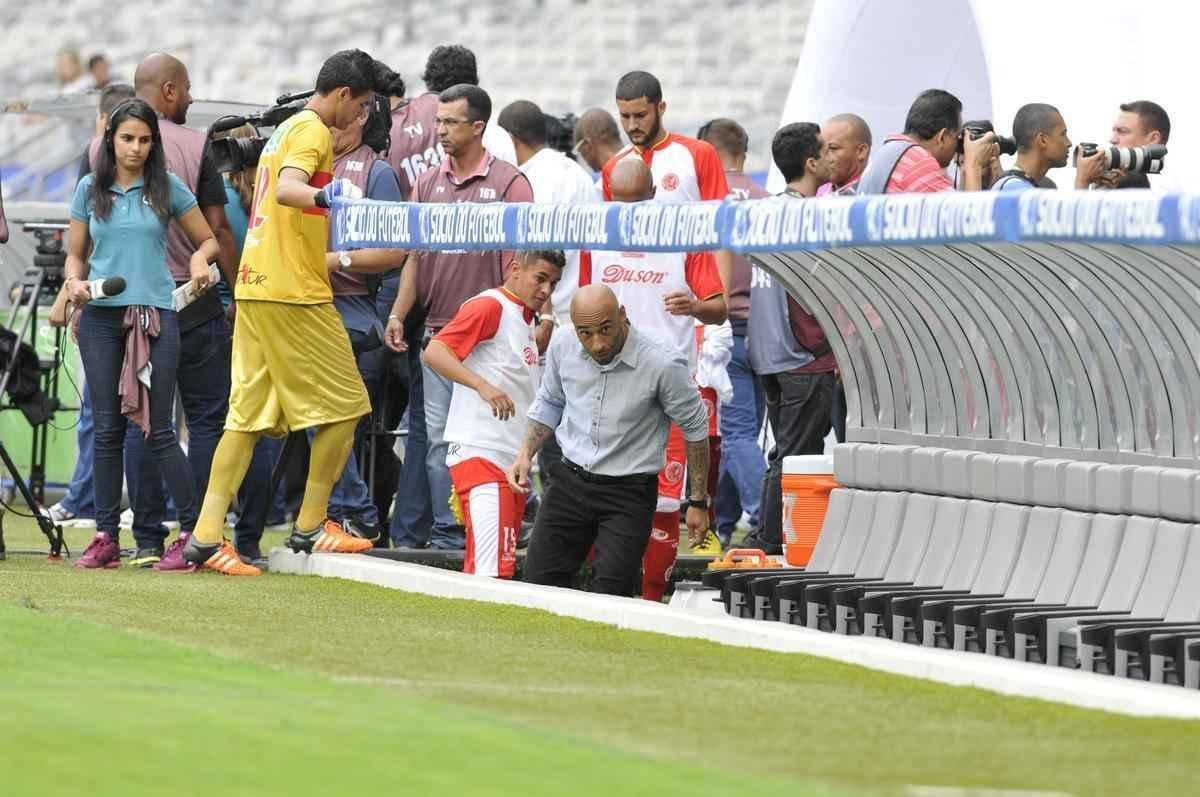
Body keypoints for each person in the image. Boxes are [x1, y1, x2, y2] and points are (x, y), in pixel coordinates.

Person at [181, 48, 394, 575]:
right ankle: (313, 525)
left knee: (246, 418)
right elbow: (291, 191)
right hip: (293, 291)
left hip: (256, 286)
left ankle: (206, 536)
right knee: (348, 405)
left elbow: (272, 191)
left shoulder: (282, 131)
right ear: (343, 94)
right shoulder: (313, 131)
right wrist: (333, 197)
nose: (362, 116)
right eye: (362, 104)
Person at [79, 53, 239, 570]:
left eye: (145, 140)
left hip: (155, 318)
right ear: (112, 140)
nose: (136, 148)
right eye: (128, 139)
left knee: (161, 429)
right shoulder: (90, 189)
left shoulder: (167, 187)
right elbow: (75, 253)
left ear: (153, 144)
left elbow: (211, 240)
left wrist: (198, 258)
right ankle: (106, 536)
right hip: (102, 318)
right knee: (107, 428)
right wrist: (72, 285)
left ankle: (192, 534)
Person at [382, 84, 534, 552]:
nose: (439, 131)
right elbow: (415, 256)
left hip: (490, 341)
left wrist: (531, 323)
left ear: (478, 127)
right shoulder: (427, 183)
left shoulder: (510, 183)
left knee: (497, 439)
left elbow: (522, 265)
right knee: (437, 444)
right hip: (439, 335)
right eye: (438, 122)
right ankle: (452, 534)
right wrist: (398, 313)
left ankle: (498, 527)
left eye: (449, 123)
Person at [512, 284, 711, 597]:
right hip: (569, 481)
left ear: (622, 315)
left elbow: (696, 427)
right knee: (538, 585)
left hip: (628, 493)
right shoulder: (563, 344)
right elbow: (550, 400)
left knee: (612, 596)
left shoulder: (662, 362)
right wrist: (525, 452)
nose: (598, 343)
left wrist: (698, 502)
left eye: (605, 329)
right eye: (586, 333)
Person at [593, 158, 726, 598]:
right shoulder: (592, 235)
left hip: (667, 387)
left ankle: (653, 598)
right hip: (607, 385)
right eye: (620, 204)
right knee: (601, 489)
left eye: (637, 203)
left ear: (653, 196)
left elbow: (719, 305)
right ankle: (609, 594)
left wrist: (694, 307)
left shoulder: (682, 238)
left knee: (666, 500)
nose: (629, 213)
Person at [424, 250, 564, 578]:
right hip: (482, 453)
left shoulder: (523, 316)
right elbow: (434, 351)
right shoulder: (490, 305)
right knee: (492, 570)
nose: (546, 290)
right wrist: (482, 385)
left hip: (510, 459)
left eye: (554, 283)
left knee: (494, 565)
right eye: (540, 279)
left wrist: (546, 318)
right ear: (515, 269)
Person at [739, 122, 837, 555]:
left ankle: (772, 536)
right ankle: (769, 540)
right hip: (801, 356)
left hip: (766, 352)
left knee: (785, 451)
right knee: (795, 455)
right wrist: (824, 345)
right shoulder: (806, 216)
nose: (834, 158)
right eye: (827, 152)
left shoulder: (764, 210)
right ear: (812, 163)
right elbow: (808, 296)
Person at [321, 88, 406, 544]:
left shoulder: (378, 172)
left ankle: (353, 512)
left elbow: (395, 253)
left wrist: (339, 261)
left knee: (335, 419)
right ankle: (339, 512)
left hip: (352, 309)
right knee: (316, 417)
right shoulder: (307, 161)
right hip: (306, 303)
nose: (330, 125)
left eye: (341, 118)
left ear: (359, 117)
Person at [697, 118, 767, 550]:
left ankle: (767, 517)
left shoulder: (707, 203)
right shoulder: (766, 201)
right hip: (772, 336)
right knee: (744, 433)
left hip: (725, 331)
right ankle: (722, 525)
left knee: (737, 434)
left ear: (706, 151)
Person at [602, 70, 733, 294]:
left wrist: (721, 304)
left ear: (661, 108)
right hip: (638, 295)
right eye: (624, 116)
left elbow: (721, 232)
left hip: (693, 299)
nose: (632, 125)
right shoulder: (614, 168)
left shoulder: (699, 153)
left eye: (640, 115)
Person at [856, 88, 998, 194]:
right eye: (957, 137)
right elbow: (966, 224)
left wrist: (966, 171)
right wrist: (974, 165)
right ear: (942, 137)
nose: (957, 145)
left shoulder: (890, 151)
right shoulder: (918, 163)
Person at [991, 104, 1074, 192]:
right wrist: (1081, 181)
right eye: (1063, 134)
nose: (1069, 143)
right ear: (1043, 140)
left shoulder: (1017, 186)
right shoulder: (1015, 190)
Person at [818, 113, 871, 196]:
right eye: (821, 149)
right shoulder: (817, 190)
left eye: (833, 148)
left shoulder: (875, 192)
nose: (823, 157)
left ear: (861, 151)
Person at [572, 107, 623, 176]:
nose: (582, 157)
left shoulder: (611, 180)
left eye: (579, 150)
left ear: (587, 145)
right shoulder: (639, 159)